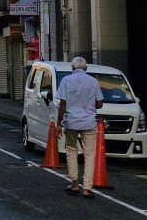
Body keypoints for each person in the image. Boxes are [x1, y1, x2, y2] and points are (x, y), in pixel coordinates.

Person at [56, 56, 104, 198]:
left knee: (71, 151)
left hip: (71, 121)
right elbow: (100, 103)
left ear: (72, 68)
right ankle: (87, 188)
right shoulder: (93, 81)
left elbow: (62, 104)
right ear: (86, 68)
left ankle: (75, 184)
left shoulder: (65, 81)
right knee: (89, 154)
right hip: (89, 122)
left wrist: (59, 123)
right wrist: (89, 106)